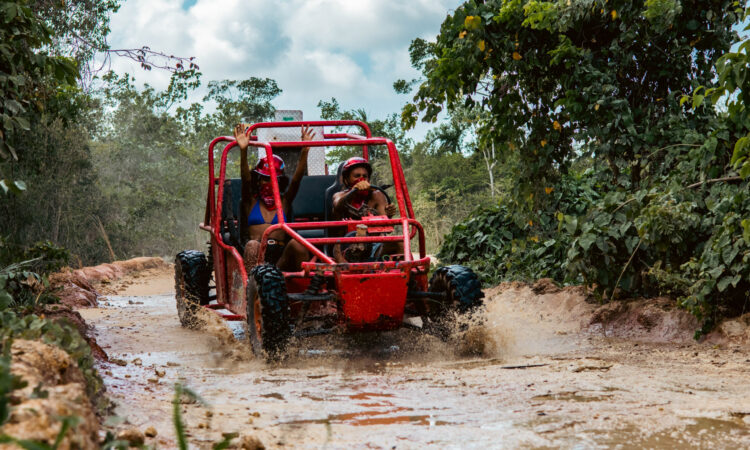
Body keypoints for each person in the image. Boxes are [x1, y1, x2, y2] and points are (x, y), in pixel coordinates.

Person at [233, 123, 315, 272]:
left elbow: (296, 181)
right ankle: (252, 288)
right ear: (258, 180)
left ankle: (306, 288)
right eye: (265, 179)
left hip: (281, 257)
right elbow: (245, 180)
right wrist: (243, 151)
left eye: (273, 179)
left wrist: (304, 152)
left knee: (298, 244)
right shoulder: (250, 201)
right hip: (258, 254)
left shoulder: (284, 201)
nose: (269, 183)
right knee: (252, 246)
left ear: (280, 181)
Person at [331, 156, 400, 262]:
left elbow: (387, 228)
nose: (361, 179)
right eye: (357, 176)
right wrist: (354, 191)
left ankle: (409, 275)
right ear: (347, 179)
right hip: (346, 247)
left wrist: (388, 215)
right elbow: (338, 205)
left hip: (374, 246)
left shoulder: (377, 195)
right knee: (341, 261)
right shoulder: (339, 196)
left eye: (365, 176)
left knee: (399, 243)